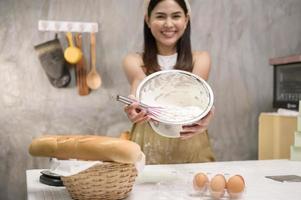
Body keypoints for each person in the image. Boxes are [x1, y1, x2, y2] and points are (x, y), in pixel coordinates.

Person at [122, 0, 215, 164]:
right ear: (147, 20)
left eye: (176, 16)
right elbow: (138, 87)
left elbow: (198, 97)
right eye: (160, 16)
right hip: (148, 141)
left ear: (186, 20)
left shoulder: (200, 59)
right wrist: (133, 106)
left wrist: (208, 111)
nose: (168, 24)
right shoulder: (134, 60)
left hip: (189, 139)